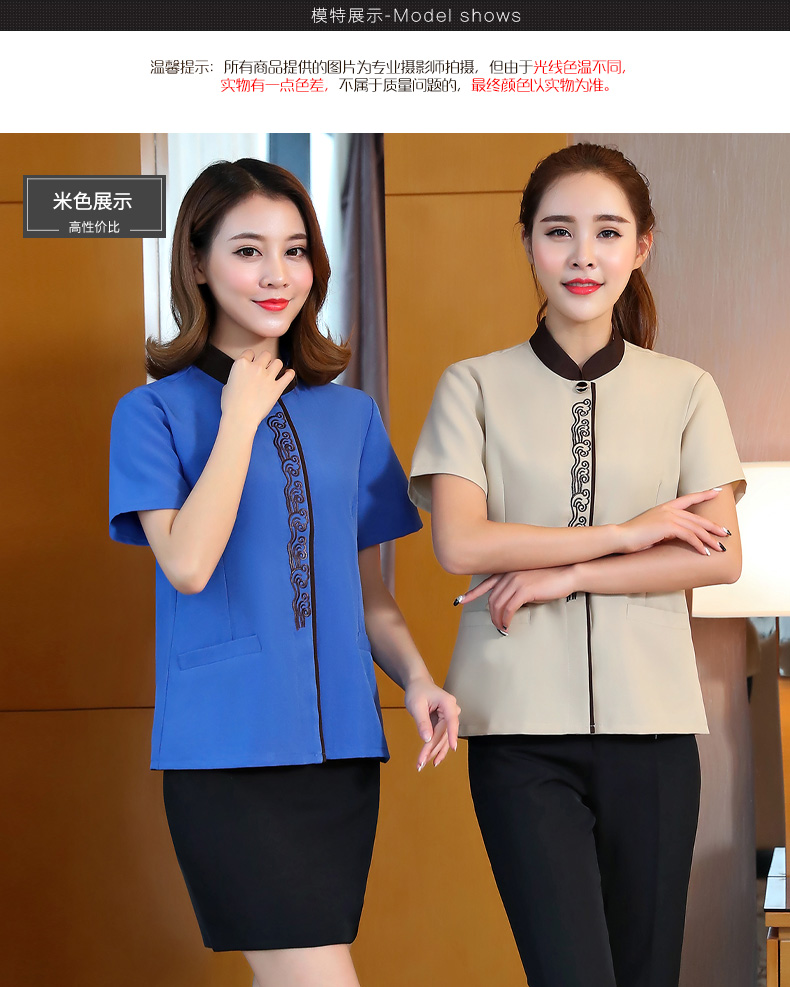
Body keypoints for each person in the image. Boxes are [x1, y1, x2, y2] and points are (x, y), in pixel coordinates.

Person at [109, 158, 459, 987]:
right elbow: (187, 563)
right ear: (197, 263)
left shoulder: (352, 415)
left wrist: (417, 676)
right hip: (227, 754)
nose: (277, 274)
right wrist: (238, 417)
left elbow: (365, 590)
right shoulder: (151, 412)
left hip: (340, 755)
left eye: (294, 250)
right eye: (248, 250)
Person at [409, 143, 744, 987]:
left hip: (656, 733)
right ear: (528, 242)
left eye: (608, 232)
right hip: (518, 737)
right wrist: (627, 535)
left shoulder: (687, 390)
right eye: (558, 231)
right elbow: (462, 542)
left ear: (642, 246)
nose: (583, 255)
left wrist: (569, 574)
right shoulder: (471, 386)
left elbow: (720, 556)